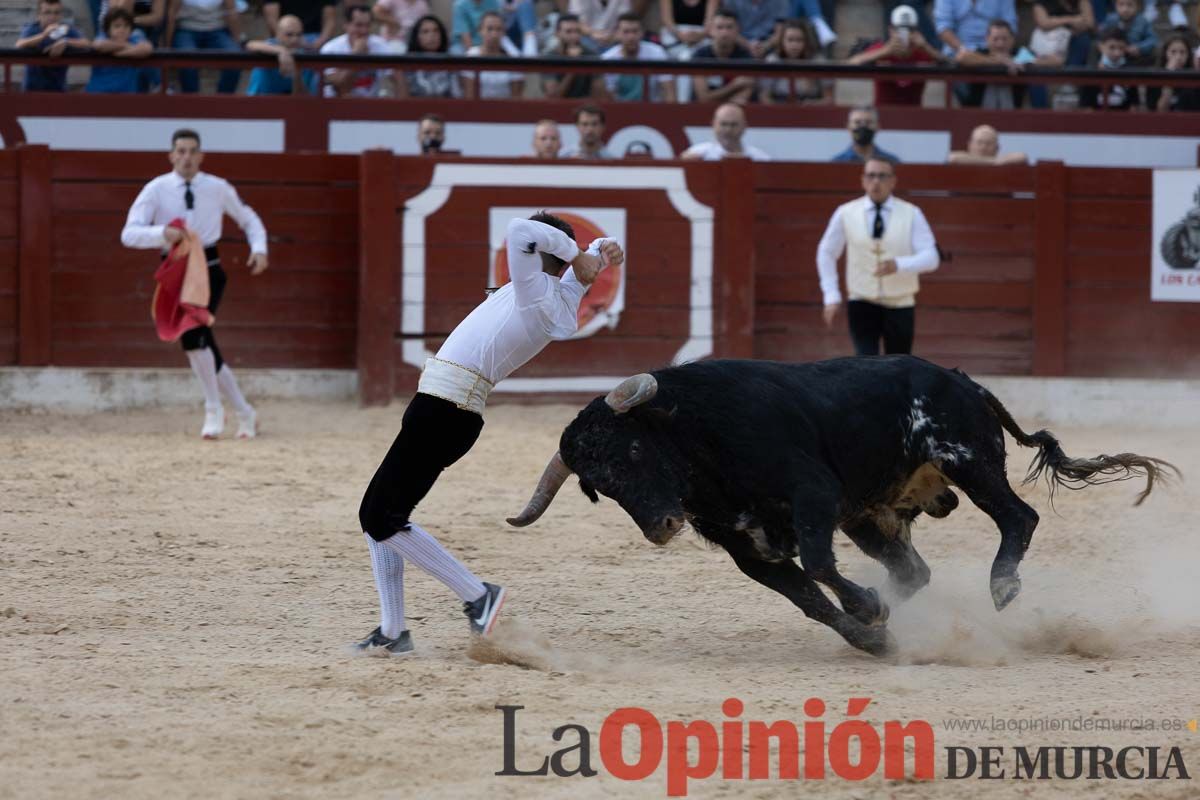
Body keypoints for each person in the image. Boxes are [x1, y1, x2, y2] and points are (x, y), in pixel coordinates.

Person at [354, 213, 625, 655]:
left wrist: (580, 254)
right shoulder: (554, 295)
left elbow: (520, 230)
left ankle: (478, 597)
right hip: (446, 409)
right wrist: (601, 251)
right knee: (381, 514)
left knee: (379, 518)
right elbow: (578, 267)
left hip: (443, 408)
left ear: (545, 255)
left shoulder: (535, 291)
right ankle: (392, 631)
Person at [120, 129, 268, 439]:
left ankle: (213, 409)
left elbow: (248, 218)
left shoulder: (217, 187)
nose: (187, 157)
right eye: (181, 151)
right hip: (175, 271)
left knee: (193, 337)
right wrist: (162, 234)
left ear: (200, 156)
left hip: (209, 270)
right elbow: (129, 234)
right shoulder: (156, 189)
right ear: (172, 155)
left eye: (192, 151)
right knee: (201, 343)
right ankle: (243, 411)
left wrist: (259, 248)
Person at [815, 157, 940, 356]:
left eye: (882, 176)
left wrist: (899, 264)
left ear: (893, 181)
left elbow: (932, 257)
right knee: (866, 365)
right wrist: (831, 294)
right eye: (871, 176)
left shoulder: (912, 213)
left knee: (899, 366)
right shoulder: (845, 212)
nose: (876, 182)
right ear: (862, 180)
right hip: (861, 299)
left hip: (900, 301)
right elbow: (826, 252)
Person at [846, 4, 942, 107]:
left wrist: (926, 48)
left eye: (910, 29)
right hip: (882, 114)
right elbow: (850, 64)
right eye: (899, 29)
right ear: (890, 30)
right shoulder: (881, 48)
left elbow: (949, 63)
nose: (905, 34)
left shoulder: (922, 51)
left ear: (917, 31)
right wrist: (885, 51)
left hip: (913, 115)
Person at [165, 0, 241, 94]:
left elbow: (232, 12)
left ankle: (223, 101)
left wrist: (238, 41)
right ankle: (191, 101)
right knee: (187, 58)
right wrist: (167, 47)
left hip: (217, 29)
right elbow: (171, 15)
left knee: (235, 56)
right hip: (186, 29)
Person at [16, 0, 90, 92]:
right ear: (39, 15)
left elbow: (86, 44)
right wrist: (44, 35)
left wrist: (66, 41)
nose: (52, 17)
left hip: (58, 89)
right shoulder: (32, 29)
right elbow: (19, 44)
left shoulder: (65, 30)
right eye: (47, 12)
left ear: (61, 15)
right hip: (32, 90)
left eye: (56, 13)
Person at [320, 5, 394, 98]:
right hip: (338, 106)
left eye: (368, 25)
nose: (364, 31)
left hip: (371, 106)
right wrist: (355, 55)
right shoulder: (330, 49)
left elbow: (396, 78)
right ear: (346, 25)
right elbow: (340, 88)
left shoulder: (381, 45)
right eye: (359, 25)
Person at [602, 13, 676, 102]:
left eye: (635, 31)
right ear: (617, 33)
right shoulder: (607, 58)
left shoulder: (657, 52)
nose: (631, 37)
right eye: (626, 32)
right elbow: (610, 96)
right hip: (621, 111)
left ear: (642, 33)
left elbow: (669, 91)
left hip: (652, 111)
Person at [954, 18, 1026, 108]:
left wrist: (1017, 61)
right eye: (995, 39)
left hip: (1014, 117)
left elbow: (1045, 61)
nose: (1000, 44)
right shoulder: (981, 53)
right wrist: (999, 61)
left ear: (1012, 39)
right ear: (987, 39)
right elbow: (961, 57)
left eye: (1004, 39)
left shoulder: (1020, 54)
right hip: (980, 117)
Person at [691, 8, 757, 103]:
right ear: (711, 31)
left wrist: (715, 96)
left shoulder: (747, 57)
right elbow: (703, 98)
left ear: (738, 30)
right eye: (719, 27)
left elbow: (742, 99)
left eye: (729, 27)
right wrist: (735, 85)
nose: (724, 33)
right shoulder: (699, 56)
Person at [761, 18, 831, 104]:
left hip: (811, 111)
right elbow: (764, 98)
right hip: (778, 109)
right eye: (790, 40)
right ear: (782, 41)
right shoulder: (772, 60)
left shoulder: (818, 61)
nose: (794, 45)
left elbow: (829, 99)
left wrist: (814, 104)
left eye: (799, 40)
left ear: (807, 41)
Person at [246, 14, 319, 95]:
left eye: (299, 35)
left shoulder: (305, 55)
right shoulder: (270, 45)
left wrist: (296, 75)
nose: (295, 39)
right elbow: (250, 45)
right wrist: (281, 51)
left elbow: (302, 99)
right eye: (289, 35)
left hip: (289, 105)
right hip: (258, 104)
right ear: (278, 35)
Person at [86, 7, 153, 93]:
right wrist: (128, 46)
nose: (122, 30)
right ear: (108, 29)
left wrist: (119, 54)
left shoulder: (135, 35)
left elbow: (147, 49)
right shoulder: (103, 36)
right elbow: (98, 45)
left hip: (125, 96)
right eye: (117, 26)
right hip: (98, 94)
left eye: (126, 26)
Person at [462, 11, 524, 99]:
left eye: (499, 29)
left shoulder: (513, 58)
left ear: (504, 33)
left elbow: (516, 97)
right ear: (480, 31)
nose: (494, 34)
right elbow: (469, 95)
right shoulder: (471, 55)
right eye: (489, 29)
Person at [541, 13, 604, 99]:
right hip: (558, 109)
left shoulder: (592, 56)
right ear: (557, 33)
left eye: (577, 31)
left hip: (585, 108)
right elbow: (554, 96)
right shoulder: (549, 58)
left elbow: (598, 94)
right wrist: (573, 68)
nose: (574, 36)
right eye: (568, 31)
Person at [1079, 26, 1142, 109]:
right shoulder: (1090, 72)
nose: (1117, 53)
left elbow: (1134, 106)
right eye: (1112, 47)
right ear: (1101, 47)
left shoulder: (1130, 71)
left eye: (1121, 48)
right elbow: (1086, 107)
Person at [681, 102, 771, 160]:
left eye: (734, 124)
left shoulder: (759, 158)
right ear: (713, 125)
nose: (728, 130)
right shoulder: (698, 154)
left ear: (744, 126)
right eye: (723, 124)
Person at [401, 14, 462, 98]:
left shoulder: (451, 62)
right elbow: (403, 100)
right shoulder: (406, 64)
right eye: (425, 32)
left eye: (436, 31)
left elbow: (457, 96)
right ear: (417, 37)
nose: (432, 35)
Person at [1144, 35, 1200, 111]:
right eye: (1173, 52)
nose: (1178, 57)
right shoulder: (1154, 77)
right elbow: (1160, 111)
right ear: (1165, 53)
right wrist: (1169, 76)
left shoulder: (1194, 78)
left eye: (1182, 52)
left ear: (1188, 55)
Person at [830, 106, 901, 163]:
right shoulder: (837, 162)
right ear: (848, 127)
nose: (863, 126)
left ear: (878, 127)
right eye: (857, 122)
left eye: (868, 122)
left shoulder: (891, 162)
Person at [263, 0, 337, 51]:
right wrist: (284, 39)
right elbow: (271, 19)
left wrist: (317, 45)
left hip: (315, 38)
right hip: (284, 36)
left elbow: (330, 20)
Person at [948, 124, 1028, 164]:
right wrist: (994, 162)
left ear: (997, 148)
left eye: (988, 143)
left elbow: (1022, 157)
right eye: (979, 142)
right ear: (969, 145)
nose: (983, 147)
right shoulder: (962, 159)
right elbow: (953, 158)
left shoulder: (1005, 161)